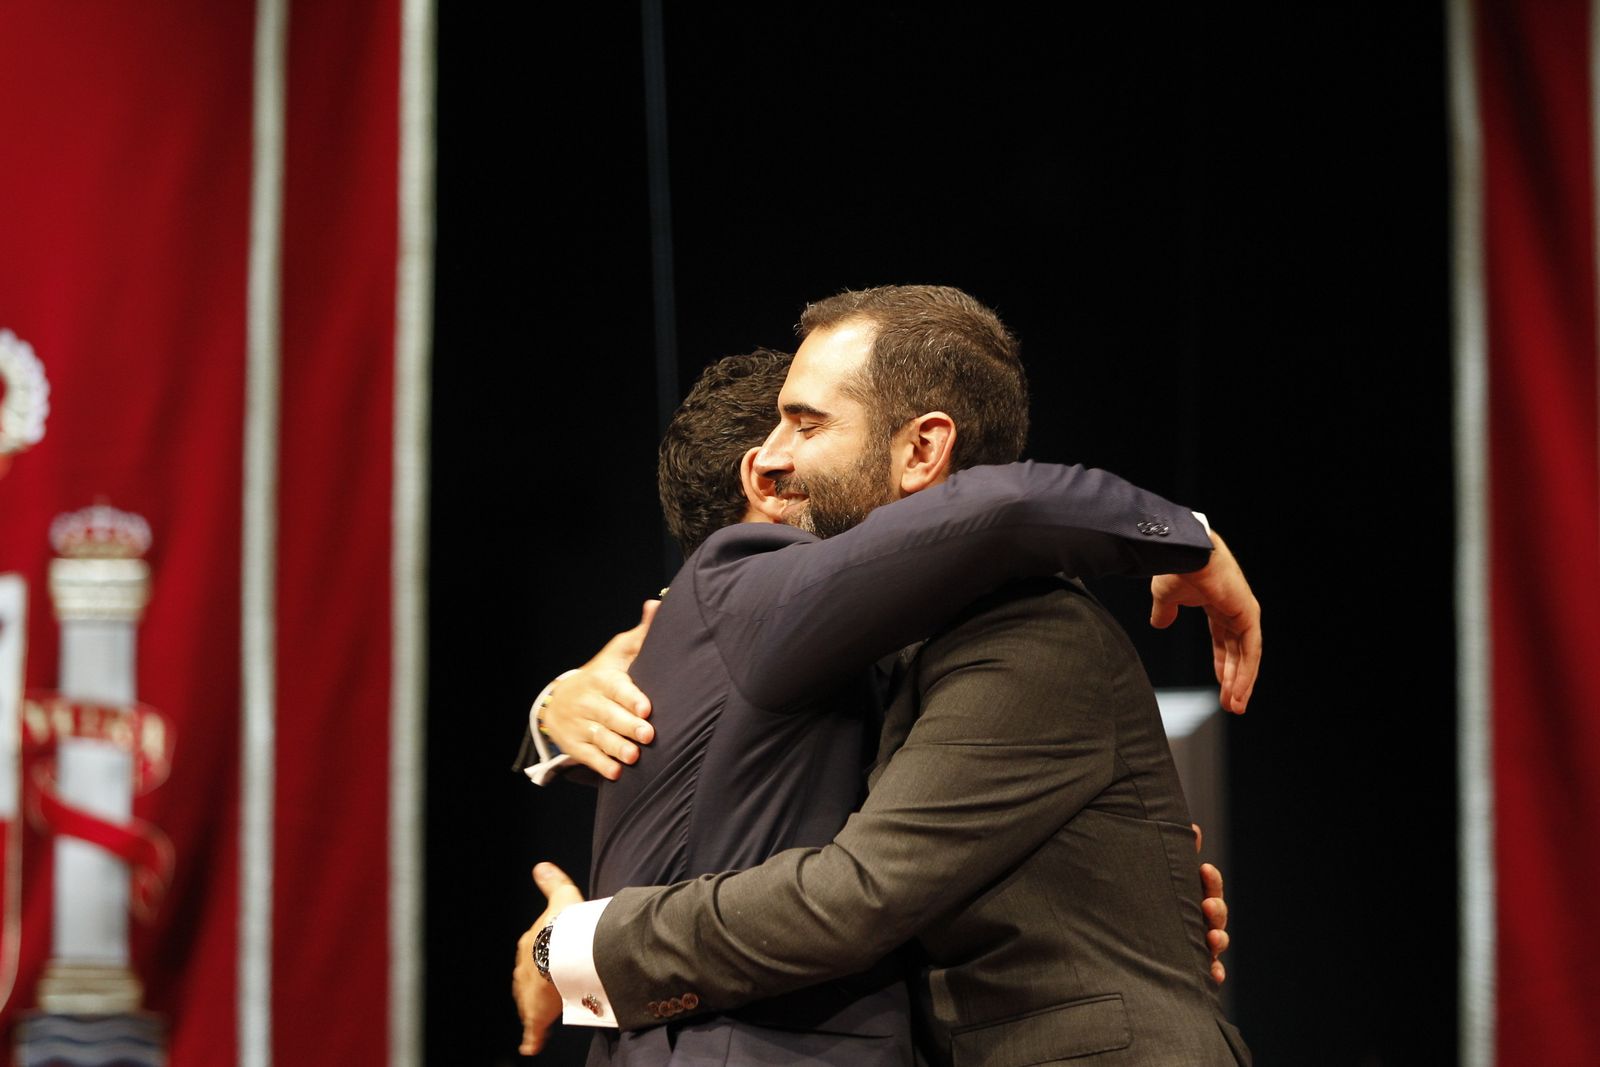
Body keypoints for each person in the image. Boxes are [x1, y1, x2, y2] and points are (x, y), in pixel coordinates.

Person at [522, 287, 1257, 1065]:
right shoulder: (875, 654)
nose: (773, 459)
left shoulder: (1028, 628)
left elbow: (856, 896)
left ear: (922, 450)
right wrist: (552, 709)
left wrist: (576, 944)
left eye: (806, 424)